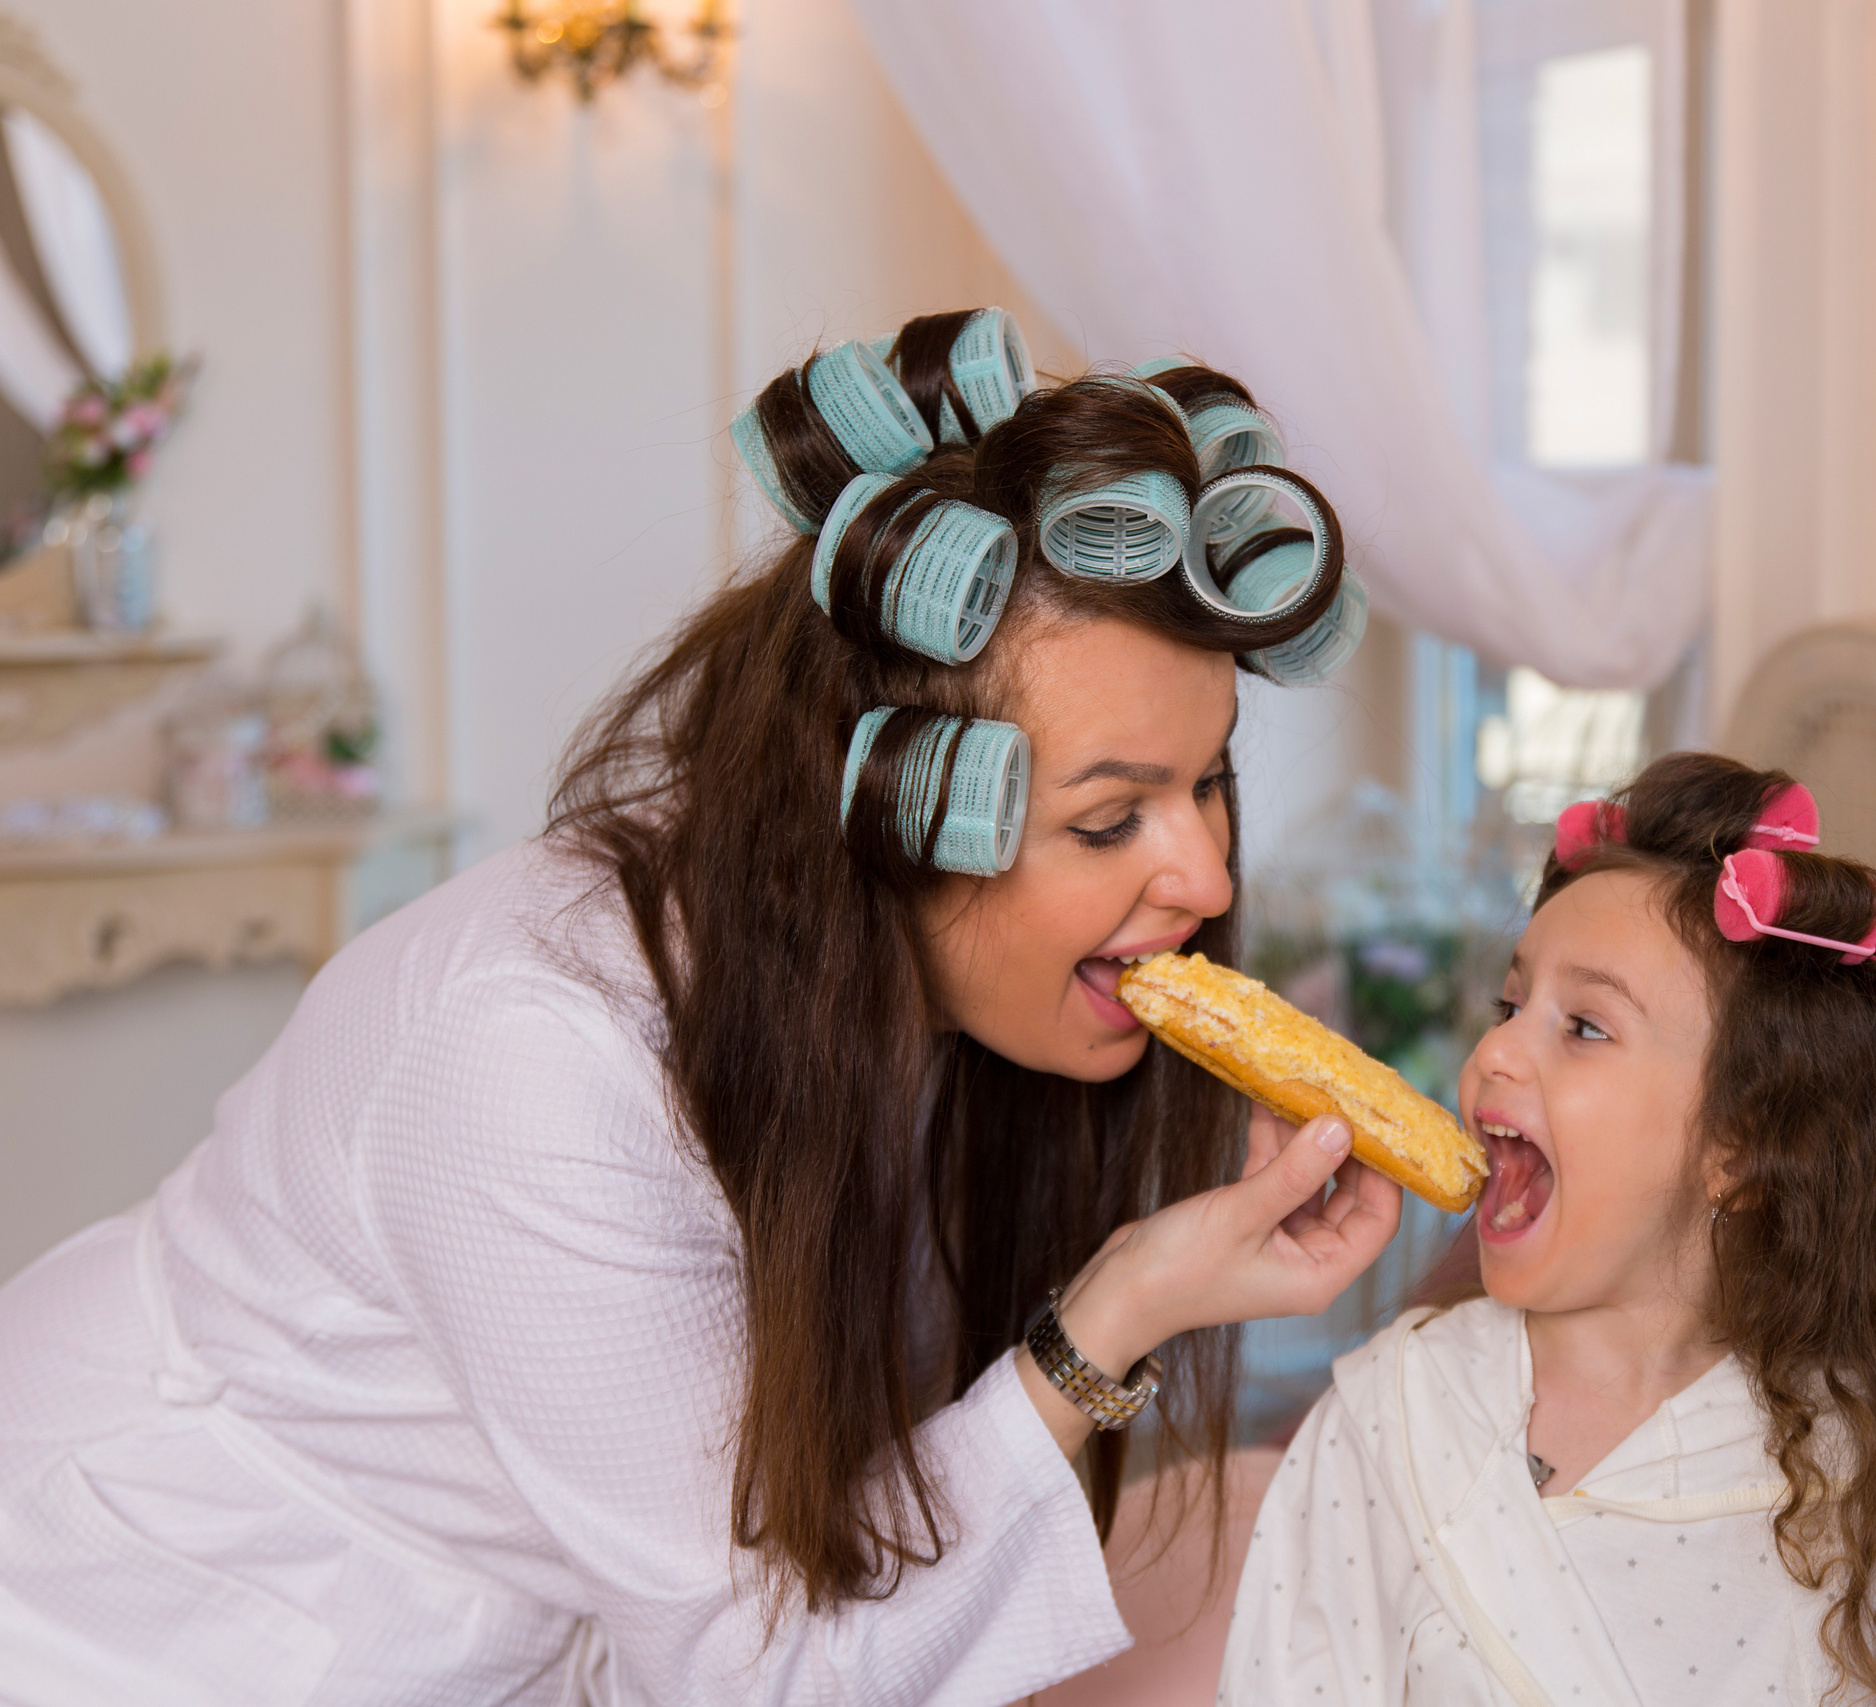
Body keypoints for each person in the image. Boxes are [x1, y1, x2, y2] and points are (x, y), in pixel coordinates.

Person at [0, 309, 1404, 1705]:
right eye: (1110, 821)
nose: (1208, 872)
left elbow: (847, 1534)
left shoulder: (908, 998)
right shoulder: (531, 1057)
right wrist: (1118, 1310)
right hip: (138, 1624)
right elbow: (769, 1673)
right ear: (897, 813)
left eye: (1211, 779)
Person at [1219, 752, 1876, 1707]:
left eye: (1586, 1027)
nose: (1493, 1051)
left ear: (1744, 1143)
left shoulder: (1865, 1474)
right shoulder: (1394, 1407)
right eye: (1510, 1005)